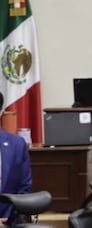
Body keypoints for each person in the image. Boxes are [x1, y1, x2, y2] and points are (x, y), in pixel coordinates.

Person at [0, 92, 31, 223]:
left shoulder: (17, 144)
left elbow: (24, 187)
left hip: (9, 219)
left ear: (1, 112)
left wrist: (8, 218)